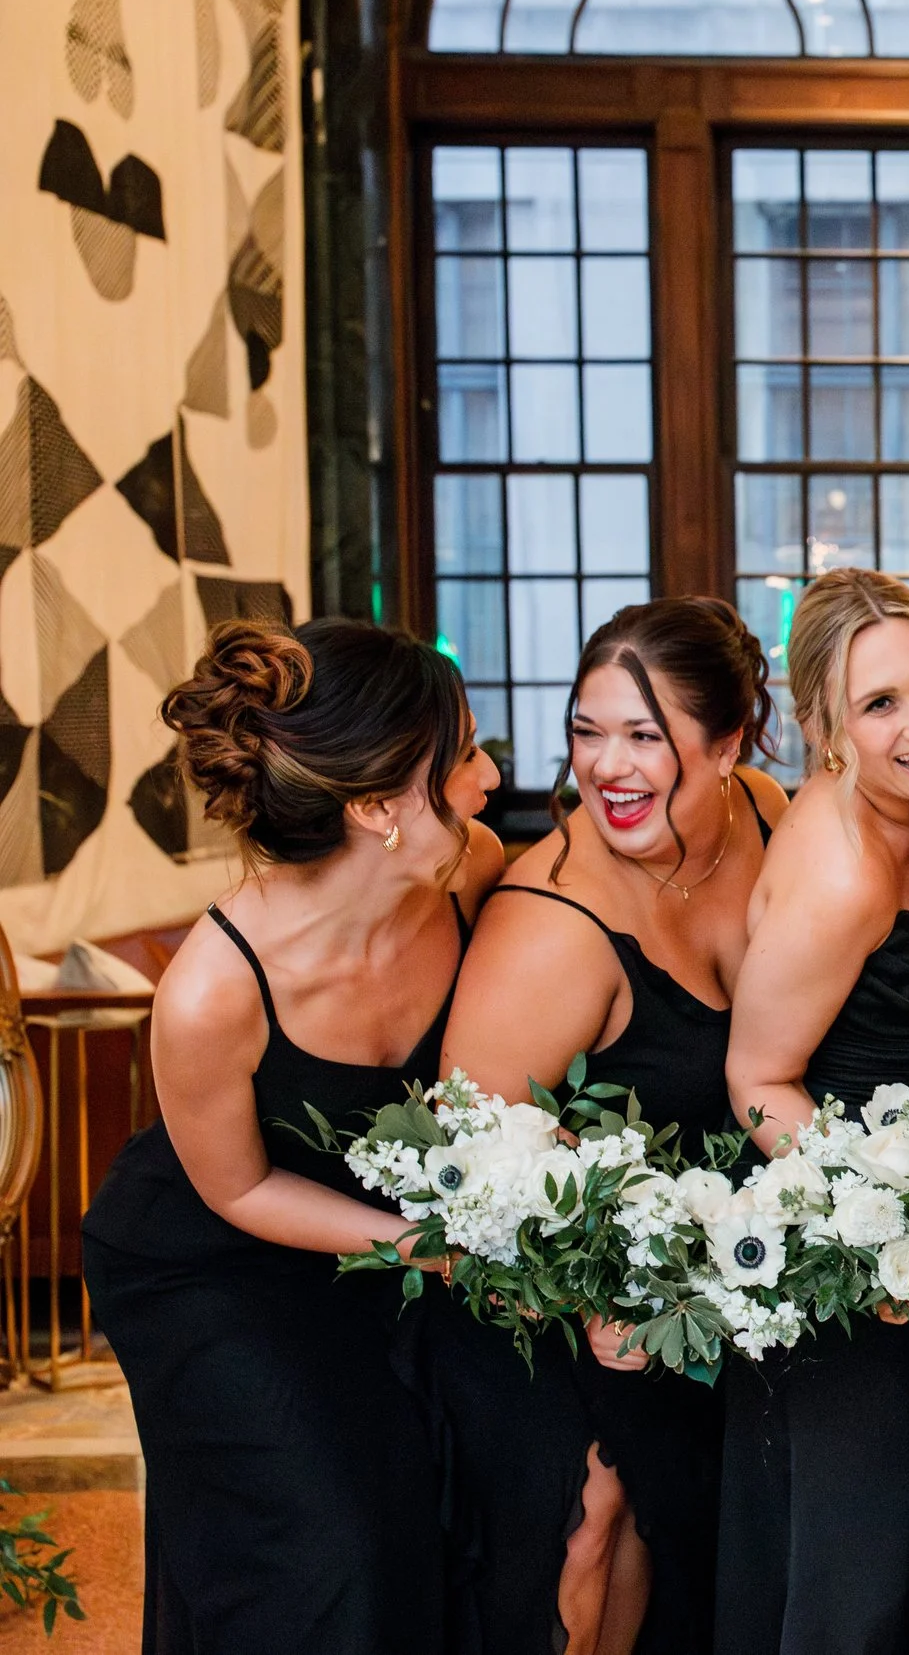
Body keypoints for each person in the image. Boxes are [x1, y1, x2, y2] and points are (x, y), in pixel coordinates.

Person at [82, 618, 502, 1655]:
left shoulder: (472, 869)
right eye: (464, 759)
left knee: (444, 1509)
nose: (491, 777)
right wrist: (426, 1248)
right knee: (327, 1550)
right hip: (212, 1264)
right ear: (375, 806)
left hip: (380, 1249)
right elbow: (238, 1189)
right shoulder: (211, 993)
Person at [426, 598, 785, 1655]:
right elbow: (474, 1161)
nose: (608, 765)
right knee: (596, 1532)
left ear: (730, 744)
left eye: (644, 734)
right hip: (575, 1316)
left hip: (734, 1282)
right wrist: (598, 1289)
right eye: (588, 731)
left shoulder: (764, 815)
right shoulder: (549, 924)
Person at [716, 569, 909, 1655]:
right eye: (879, 704)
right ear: (826, 730)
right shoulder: (842, 869)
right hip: (842, 1255)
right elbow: (757, 1080)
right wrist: (882, 1223)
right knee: (853, 1571)